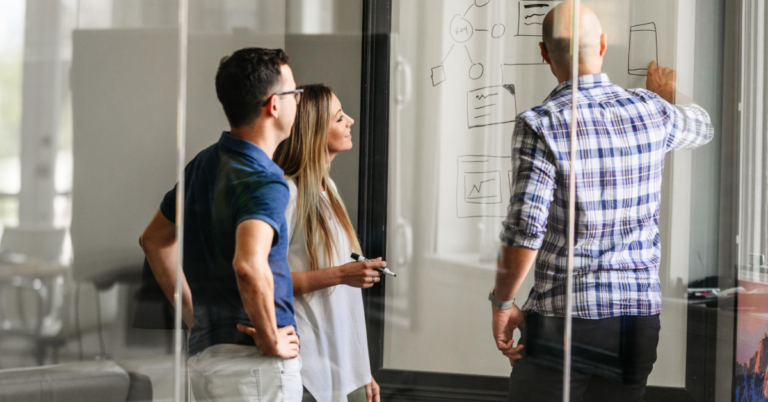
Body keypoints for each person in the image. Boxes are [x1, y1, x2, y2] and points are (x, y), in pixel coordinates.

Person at [489, 2, 713, 401]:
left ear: (544, 52)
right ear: (604, 45)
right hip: (637, 322)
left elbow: (526, 228)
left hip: (566, 320)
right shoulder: (651, 110)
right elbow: (703, 126)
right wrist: (666, 98)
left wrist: (503, 301)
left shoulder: (541, 124)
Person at [139, 47, 304, 402]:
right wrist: (271, 335)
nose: (299, 103)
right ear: (274, 104)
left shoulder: (203, 164)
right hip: (253, 366)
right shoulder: (265, 179)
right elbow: (248, 264)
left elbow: (153, 241)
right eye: (295, 94)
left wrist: (192, 314)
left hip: (206, 360)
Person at [239, 84, 383, 402]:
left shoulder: (327, 189)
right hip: (308, 371)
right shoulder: (287, 195)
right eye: (339, 117)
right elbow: (267, 282)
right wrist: (342, 274)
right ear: (315, 131)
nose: (351, 121)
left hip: (344, 368)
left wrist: (362, 367)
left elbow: (343, 305)